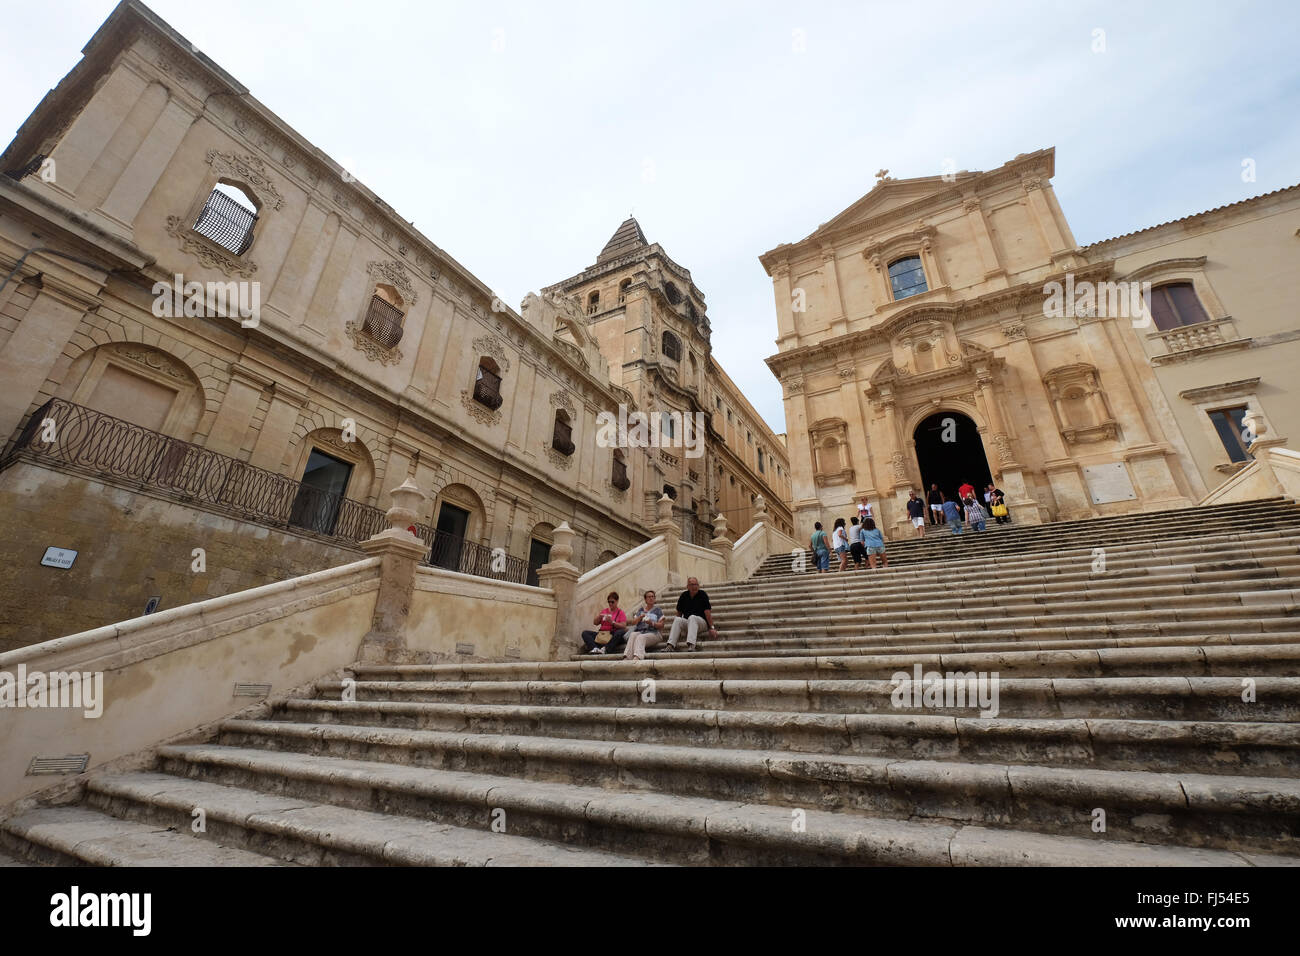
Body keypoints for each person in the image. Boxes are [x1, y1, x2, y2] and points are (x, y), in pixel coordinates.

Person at [665, 577, 716, 652]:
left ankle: (691, 645)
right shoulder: (684, 595)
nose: (694, 586)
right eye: (692, 584)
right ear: (687, 586)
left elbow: (707, 612)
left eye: (696, 584)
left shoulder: (702, 594)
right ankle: (670, 645)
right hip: (689, 623)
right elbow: (679, 613)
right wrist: (679, 630)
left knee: (692, 617)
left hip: (702, 623)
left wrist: (712, 628)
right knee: (677, 619)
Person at [623, 589, 665, 660]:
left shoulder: (658, 610)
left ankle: (637, 657)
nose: (651, 598)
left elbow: (662, 625)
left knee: (640, 637)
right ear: (645, 599)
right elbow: (633, 622)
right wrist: (640, 617)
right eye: (649, 597)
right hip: (642, 631)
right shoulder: (641, 610)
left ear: (654, 598)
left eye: (652, 596)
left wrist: (651, 623)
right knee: (633, 634)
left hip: (654, 633)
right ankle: (627, 657)